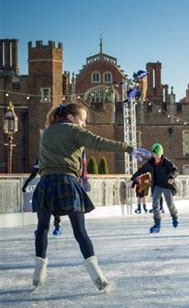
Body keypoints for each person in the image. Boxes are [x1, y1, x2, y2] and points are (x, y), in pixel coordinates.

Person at [31, 103, 149, 291]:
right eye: (82, 120)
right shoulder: (72, 130)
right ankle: (97, 275)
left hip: (45, 183)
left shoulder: (48, 132)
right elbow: (100, 142)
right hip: (67, 182)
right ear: (71, 117)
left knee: (42, 228)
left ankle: (38, 275)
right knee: (80, 231)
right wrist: (130, 149)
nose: (83, 124)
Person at [131, 143, 179, 233]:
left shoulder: (166, 162)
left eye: (158, 154)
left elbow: (175, 170)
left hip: (167, 186)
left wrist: (172, 177)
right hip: (157, 186)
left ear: (161, 154)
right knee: (155, 205)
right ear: (152, 154)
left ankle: (175, 216)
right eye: (155, 154)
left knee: (170, 205)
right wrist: (134, 177)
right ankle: (157, 224)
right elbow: (142, 170)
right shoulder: (151, 162)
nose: (156, 156)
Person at [23, 158, 63, 236]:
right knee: (41, 207)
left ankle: (58, 226)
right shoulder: (41, 158)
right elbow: (34, 173)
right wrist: (26, 183)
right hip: (44, 186)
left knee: (55, 207)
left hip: (55, 184)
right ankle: (41, 227)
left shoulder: (53, 157)